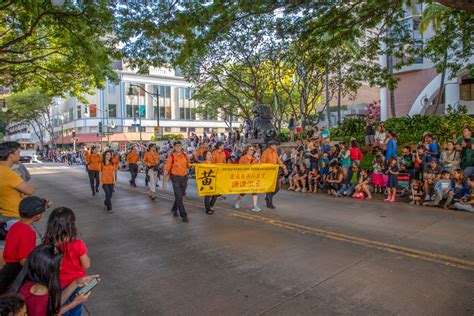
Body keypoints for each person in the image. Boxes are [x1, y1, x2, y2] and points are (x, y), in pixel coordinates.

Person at [10, 244, 97, 316]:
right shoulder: (40, 290)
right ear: (46, 269)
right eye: (58, 265)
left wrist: (76, 283)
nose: (61, 268)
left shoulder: (27, 282)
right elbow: (52, 313)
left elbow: (54, 304)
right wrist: (73, 303)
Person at [42, 207, 90, 315]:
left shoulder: (46, 244)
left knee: (60, 308)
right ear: (71, 225)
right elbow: (86, 265)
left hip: (57, 284)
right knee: (76, 308)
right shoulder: (78, 244)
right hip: (78, 283)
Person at [0, 197, 47, 294]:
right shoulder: (28, 232)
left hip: (7, 268)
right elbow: (23, 260)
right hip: (15, 271)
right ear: (37, 216)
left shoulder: (15, 226)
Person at [0, 142, 36, 222]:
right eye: (18, 153)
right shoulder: (8, 173)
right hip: (12, 216)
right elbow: (30, 190)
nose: (19, 155)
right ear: (11, 156)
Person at [164, 141, 190, 222]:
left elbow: (188, 166)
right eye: (176, 146)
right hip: (175, 178)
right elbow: (166, 170)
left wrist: (186, 173)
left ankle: (174, 208)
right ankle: (184, 215)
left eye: (180, 146)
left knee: (180, 195)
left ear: (181, 146)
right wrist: (163, 183)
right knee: (179, 196)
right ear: (174, 147)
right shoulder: (171, 156)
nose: (178, 147)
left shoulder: (185, 155)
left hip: (184, 178)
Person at [234, 145, 261, 212]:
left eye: (253, 150)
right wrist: (246, 166)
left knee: (254, 191)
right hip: (245, 177)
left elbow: (258, 167)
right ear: (247, 151)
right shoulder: (242, 158)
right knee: (244, 192)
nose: (252, 151)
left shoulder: (254, 159)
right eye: (251, 150)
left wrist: (258, 161)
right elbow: (239, 169)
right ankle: (237, 200)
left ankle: (255, 205)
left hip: (252, 177)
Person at [261, 140, 286, 209]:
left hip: (275, 172)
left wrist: (284, 167)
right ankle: (269, 203)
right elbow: (262, 162)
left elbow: (279, 160)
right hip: (268, 173)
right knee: (269, 188)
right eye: (275, 145)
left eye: (276, 145)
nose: (276, 146)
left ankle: (268, 197)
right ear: (271, 146)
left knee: (277, 188)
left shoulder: (275, 152)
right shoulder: (265, 152)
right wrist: (270, 166)